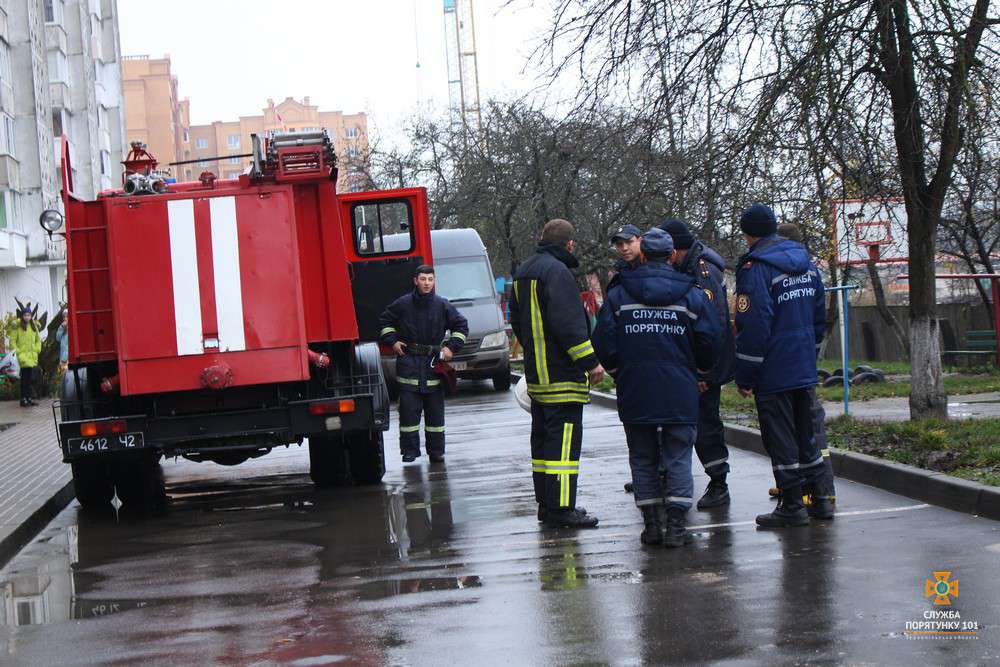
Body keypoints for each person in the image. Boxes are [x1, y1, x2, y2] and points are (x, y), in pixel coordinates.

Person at [593, 228, 720, 546]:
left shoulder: (619, 295)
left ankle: (651, 525)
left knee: (642, 456)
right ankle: (676, 527)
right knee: (678, 456)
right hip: (680, 390)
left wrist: (619, 371)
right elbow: (710, 341)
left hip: (636, 389)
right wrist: (698, 371)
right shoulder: (691, 295)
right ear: (672, 256)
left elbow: (604, 341)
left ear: (644, 254)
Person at [733, 204, 834, 527]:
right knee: (807, 435)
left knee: (780, 438)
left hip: (774, 370)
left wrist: (745, 375)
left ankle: (792, 504)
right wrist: (810, 354)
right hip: (803, 366)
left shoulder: (756, 268)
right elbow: (819, 315)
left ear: (748, 234)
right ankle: (820, 500)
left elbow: (754, 325)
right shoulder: (807, 264)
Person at [510, 219, 605, 529]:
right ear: (569, 244)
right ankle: (562, 509)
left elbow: (517, 322)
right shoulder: (558, 273)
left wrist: (535, 353)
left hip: (538, 378)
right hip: (562, 379)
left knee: (543, 447)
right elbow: (569, 325)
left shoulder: (523, 272)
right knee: (563, 448)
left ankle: (547, 505)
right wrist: (590, 363)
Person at [659, 219, 737, 509]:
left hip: (704, 365)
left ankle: (718, 482)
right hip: (689, 363)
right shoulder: (687, 266)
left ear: (676, 249)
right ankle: (671, 476)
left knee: (706, 424)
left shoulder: (702, 270)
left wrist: (704, 372)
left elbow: (713, 324)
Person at [775, 222, 837, 515]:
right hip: (805, 364)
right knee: (812, 429)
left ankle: (808, 493)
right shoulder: (811, 270)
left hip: (784, 367)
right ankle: (822, 493)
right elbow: (818, 319)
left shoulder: (775, 271)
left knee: (797, 430)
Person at [379, 265, 469, 463]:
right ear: (415, 281)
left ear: (434, 281)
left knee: (435, 415)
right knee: (408, 414)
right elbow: (384, 321)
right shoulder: (403, 304)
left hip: (433, 365)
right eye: (423, 279)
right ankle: (409, 451)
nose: (427, 283)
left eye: (430, 279)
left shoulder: (442, 305)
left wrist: (451, 348)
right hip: (409, 364)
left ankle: (436, 452)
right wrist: (393, 341)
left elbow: (461, 326)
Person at [8, 302, 42, 407]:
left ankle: (29, 398)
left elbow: (38, 340)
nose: (27, 317)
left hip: (31, 356)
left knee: (30, 379)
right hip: (22, 357)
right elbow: (12, 342)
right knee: (24, 379)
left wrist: (37, 349)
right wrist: (19, 352)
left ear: (31, 316)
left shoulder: (33, 326)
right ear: (22, 316)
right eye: (25, 315)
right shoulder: (18, 327)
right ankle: (23, 399)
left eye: (29, 315)